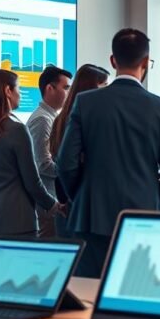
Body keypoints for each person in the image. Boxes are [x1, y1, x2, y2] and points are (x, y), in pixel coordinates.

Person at [57, 28, 160, 277]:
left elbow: (66, 163)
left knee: (89, 294)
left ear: (113, 60)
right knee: (135, 293)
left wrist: (81, 195)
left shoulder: (86, 102)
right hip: (144, 217)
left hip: (92, 216)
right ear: (146, 62)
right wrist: (158, 207)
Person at [0, 70, 61, 256]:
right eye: (18, 88)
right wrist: (54, 205)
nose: (20, 93)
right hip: (16, 221)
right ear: (7, 91)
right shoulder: (16, 129)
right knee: (19, 282)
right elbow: (32, 182)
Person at [48, 64, 110, 237]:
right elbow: (67, 165)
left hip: (66, 202)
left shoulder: (61, 118)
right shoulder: (82, 121)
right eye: (104, 87)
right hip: (82, 206)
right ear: (91, 88)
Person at [26, 66, 72, 237]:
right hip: (49, 199)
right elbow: (43, 164)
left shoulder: (51, 117)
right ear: (49, 88)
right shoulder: (42, 120)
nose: (69, 92)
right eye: (66, 87)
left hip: (53, 197)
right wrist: (70, 170)